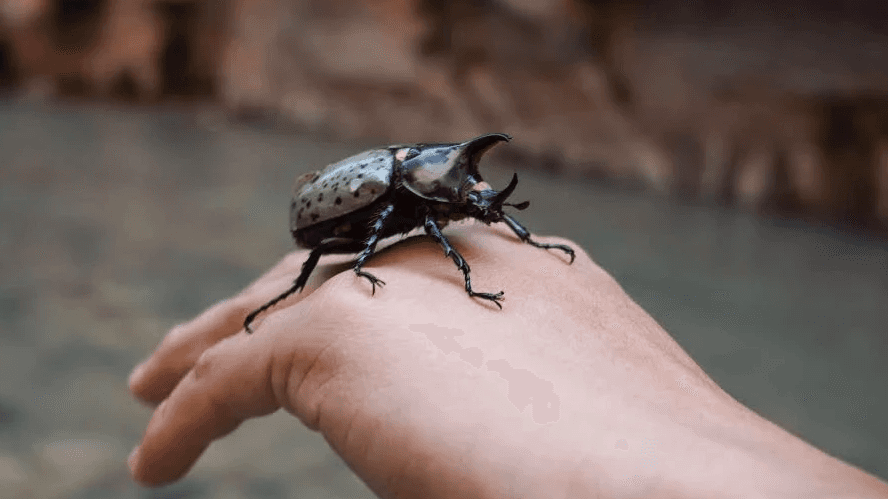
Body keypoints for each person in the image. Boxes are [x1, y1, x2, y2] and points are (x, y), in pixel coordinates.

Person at [128, 223, 888, 498]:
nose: (485, 204)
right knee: (341, 262)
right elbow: (329, 240)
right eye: (471, 197)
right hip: (337, 226)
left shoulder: (437, 200)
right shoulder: (405, 202)